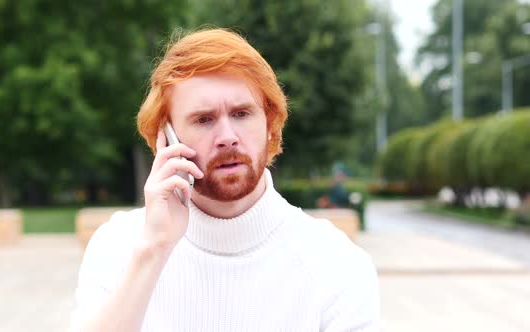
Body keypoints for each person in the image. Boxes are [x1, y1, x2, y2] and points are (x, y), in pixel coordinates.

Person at [70, 28, 379, 332]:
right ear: (168, 136)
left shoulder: (337, 263)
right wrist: (154, 250)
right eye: (204, 119)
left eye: (242, 114)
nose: (228, 138)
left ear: (270, 123)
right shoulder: (119, 247)